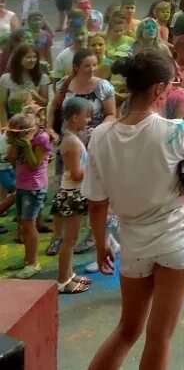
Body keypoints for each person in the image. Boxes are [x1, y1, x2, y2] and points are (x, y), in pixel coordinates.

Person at [82, 49, 184, 370]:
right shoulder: (175, 131)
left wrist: (101, 244)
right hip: (179, 238)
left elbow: (96, 204)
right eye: (170, 85)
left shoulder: (100, 136)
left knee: (127, 330)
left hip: (133, 244)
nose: (172, 90)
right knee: (160, 335)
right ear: (158, 90)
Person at [6, 109, 51, 278]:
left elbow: (34, 165)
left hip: (34, 187)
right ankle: (27, 259)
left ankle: (33, 263)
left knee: (29, 225)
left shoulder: (42, 139)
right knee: (22, 224)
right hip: (22, 185)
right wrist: (14, 145)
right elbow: (11, 160)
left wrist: (26, 145)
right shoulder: (22, 140)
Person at [55, 97, 93, 294]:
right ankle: (62, 280)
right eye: (86, 117)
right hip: (72, 195)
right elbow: (77, 174)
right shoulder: (72, 142)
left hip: (74, 193)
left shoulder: (72, 138)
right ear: (75, 118)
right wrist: (95, 168)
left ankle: (69, 274)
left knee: (72, 238)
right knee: (69, 240)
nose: (88, 121)